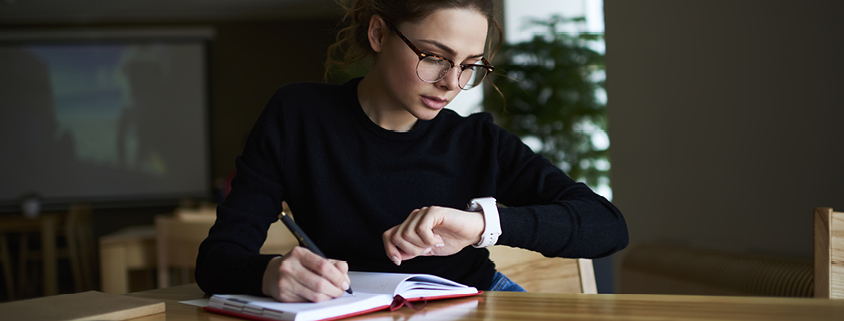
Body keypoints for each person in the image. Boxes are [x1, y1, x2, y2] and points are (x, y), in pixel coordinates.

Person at [196, 0, 628, 303]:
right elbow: (217, 261)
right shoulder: (297, 116)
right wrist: (270, 274)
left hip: (477, 303)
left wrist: (481, 225)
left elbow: (607, 226)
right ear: (379, 32)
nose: (452, 83)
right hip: (352, 309)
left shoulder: (478, 140)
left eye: (470, 65)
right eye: (434, 56)